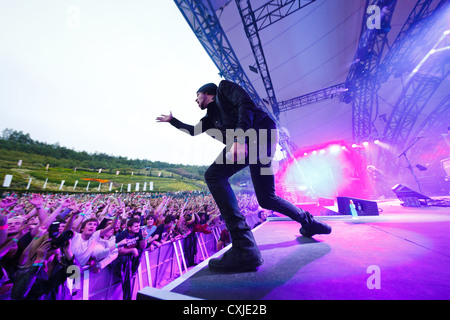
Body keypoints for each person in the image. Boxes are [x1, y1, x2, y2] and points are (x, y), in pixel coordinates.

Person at [157, 80, 332, 272]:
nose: (195, 100)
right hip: (259, 142)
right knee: (267, 198)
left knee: (215, 175)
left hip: (258, 134)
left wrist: (239, 138)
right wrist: (172, 121)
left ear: (207, 93)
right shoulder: (210, 118)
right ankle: (310, 223)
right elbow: (192, 131)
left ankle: (244, 247)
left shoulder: (223, 89)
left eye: (197, 96)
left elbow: (245, 104)